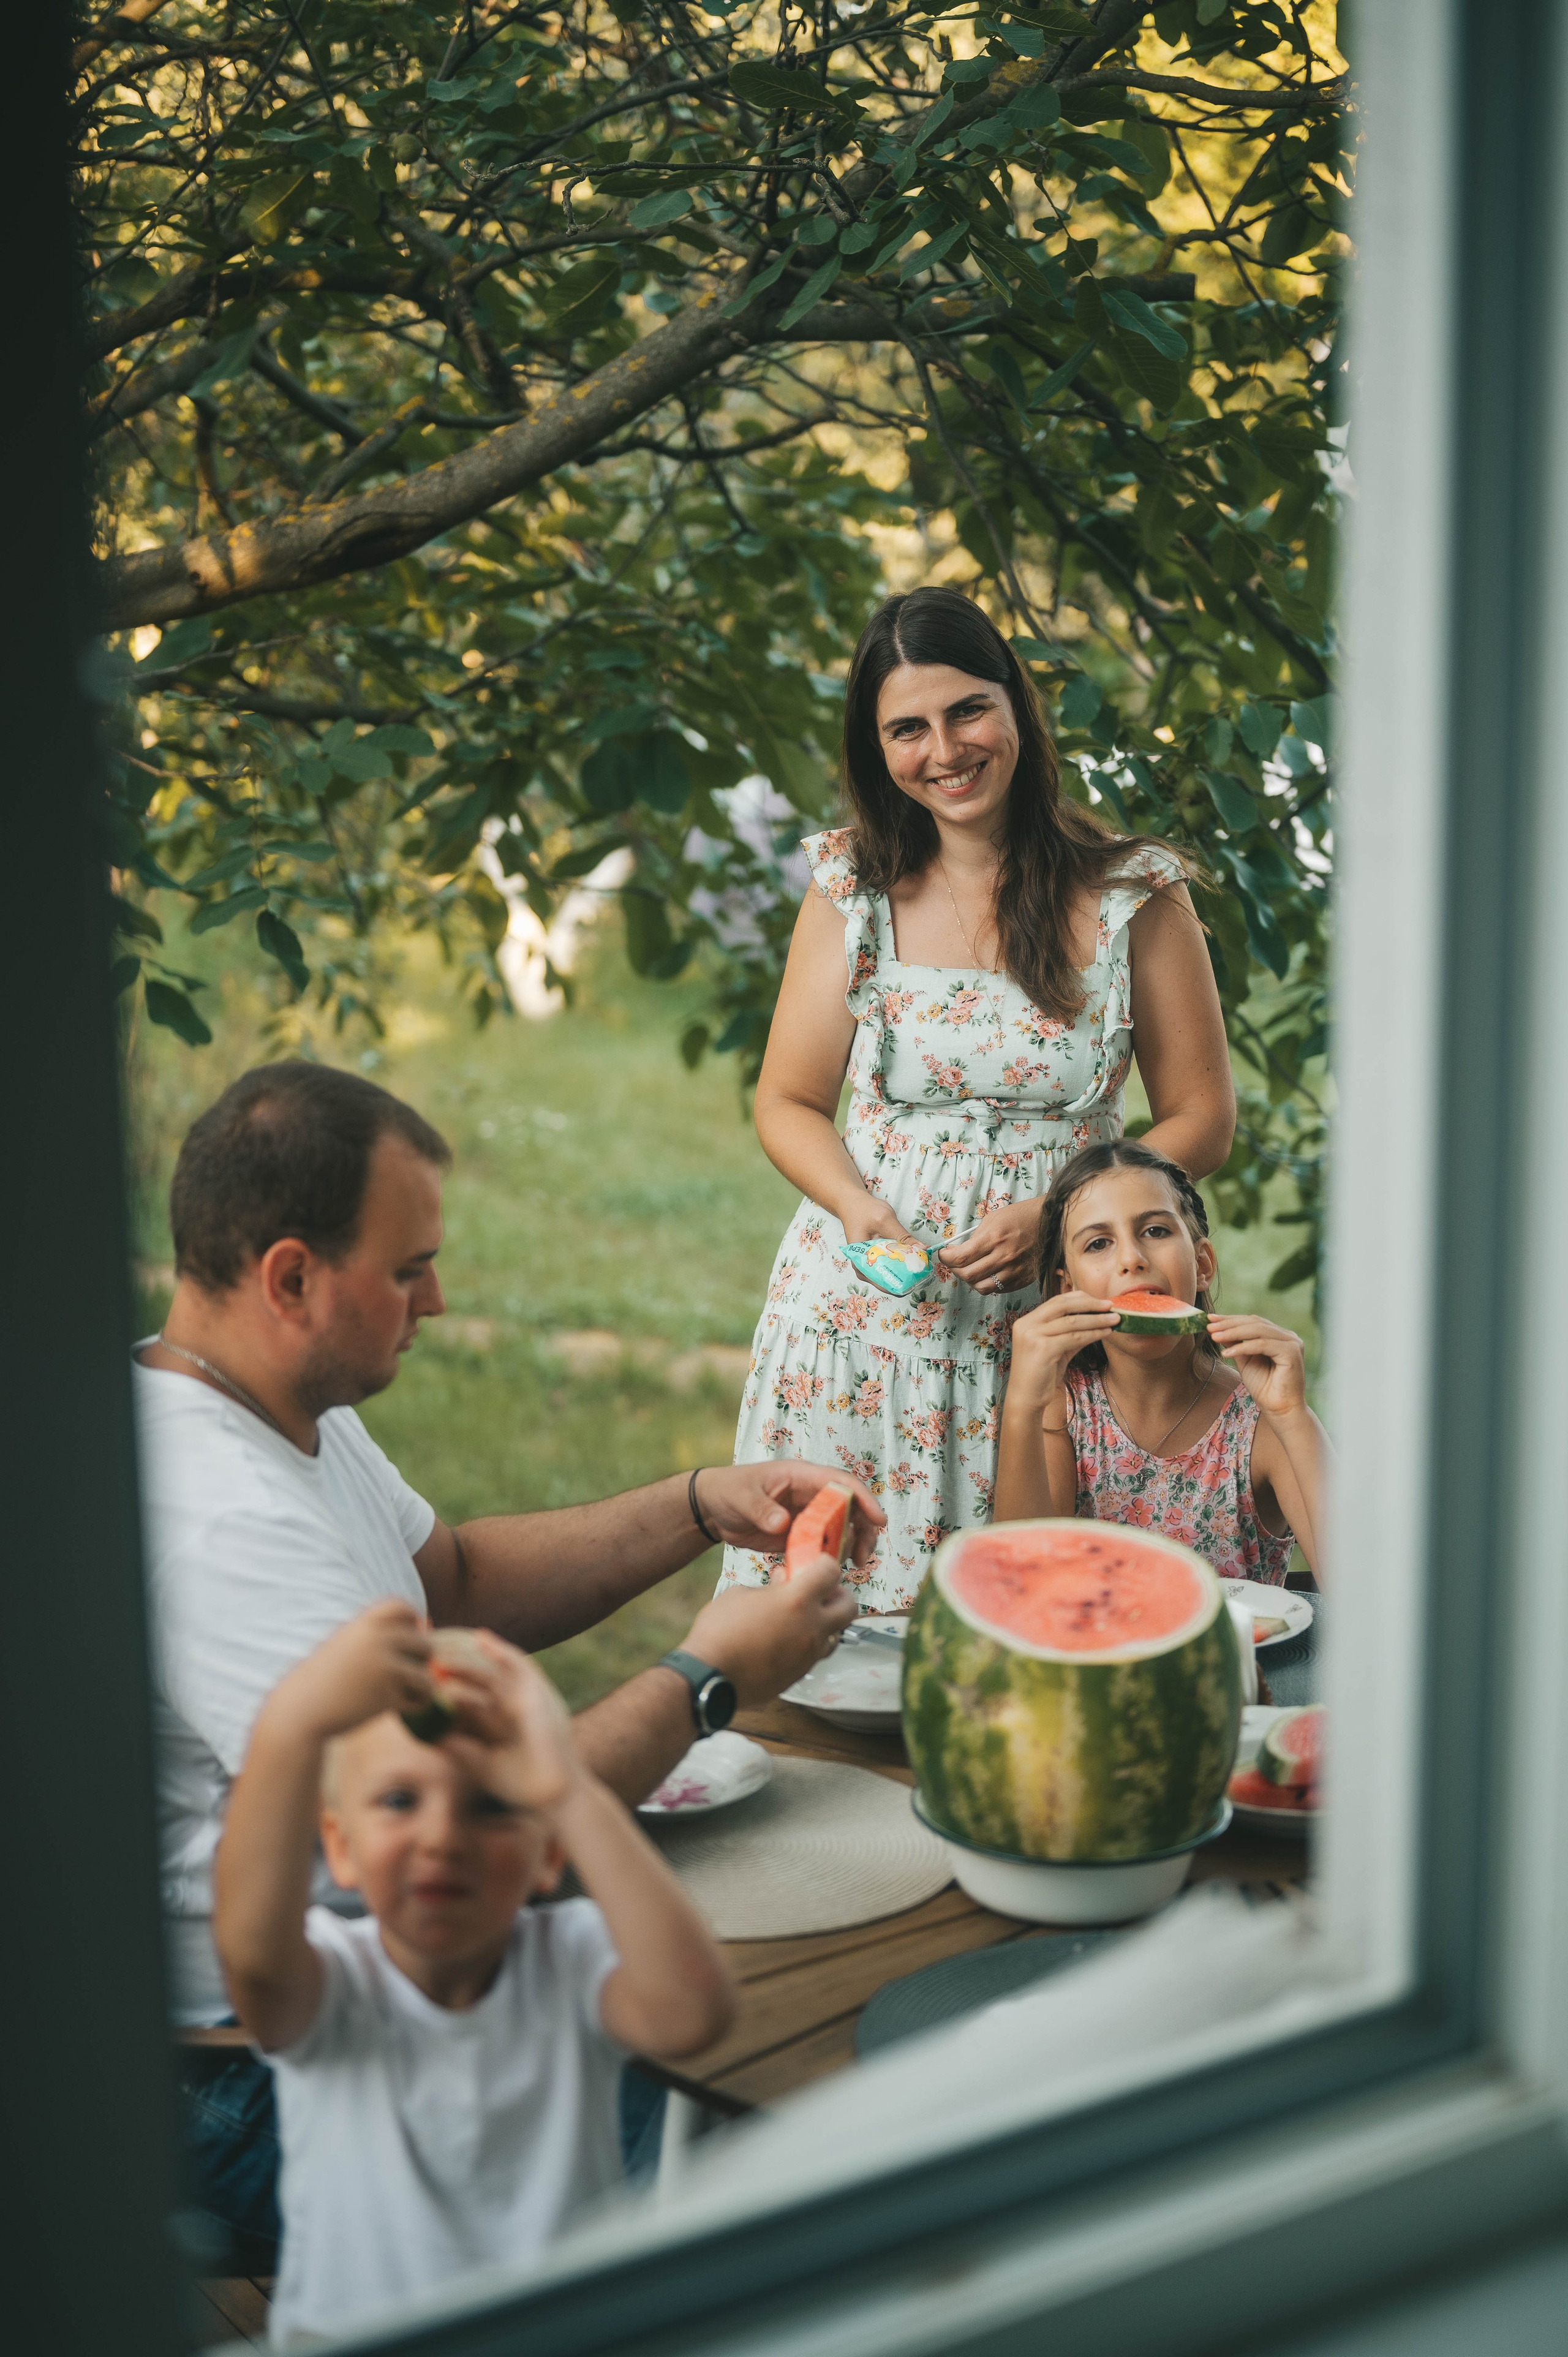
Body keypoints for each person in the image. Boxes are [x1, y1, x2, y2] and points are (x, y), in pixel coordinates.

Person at [137, 1060, 878, 2259]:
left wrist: (697, 1503)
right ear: (290, 1276)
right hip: (255, 2073)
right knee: (772, 2170)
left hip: (420, 1962)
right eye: (410, 1269)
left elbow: (457, 1580)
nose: (434, 1303)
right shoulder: (217, 1516)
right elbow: (464, 1811)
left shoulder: (274, 1402)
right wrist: (707, 1676)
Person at [717, 587, 1235, 1610]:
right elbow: (786, 1098)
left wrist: (1054, 1215)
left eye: (966, 710)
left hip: (1060, 1309)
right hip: (864, 1316)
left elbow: (1202, 1118)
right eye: (906, 727)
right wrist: (862, 1211)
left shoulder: (1135, 890)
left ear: (1015, 708)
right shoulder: (852, 885)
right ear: (878, 749)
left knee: (1046, 1609)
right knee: (825, 1616)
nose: (943, 748)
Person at [213, 1602, 733, 2343]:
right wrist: (292, 1722)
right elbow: (253, 1953)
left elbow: (694, 2012)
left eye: (491, 1804)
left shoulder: (573, 1956)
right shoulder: (332, 1988)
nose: (443, 1836)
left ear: (548, 1851)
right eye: (400, 1799)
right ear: (342, 1846)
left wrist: (567, 1788)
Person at [993, 1139, 1325, 1580]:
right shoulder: (1063, 1409)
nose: (1132, 1259)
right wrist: (1023, 1405)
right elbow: (1021, 1586)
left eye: (1156, 1231)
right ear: (1067, 1289)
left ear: (1203, 1264)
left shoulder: (1258, 1420)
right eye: (1098, 1244)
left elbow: (1366, 1592)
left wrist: (1292, 1415)